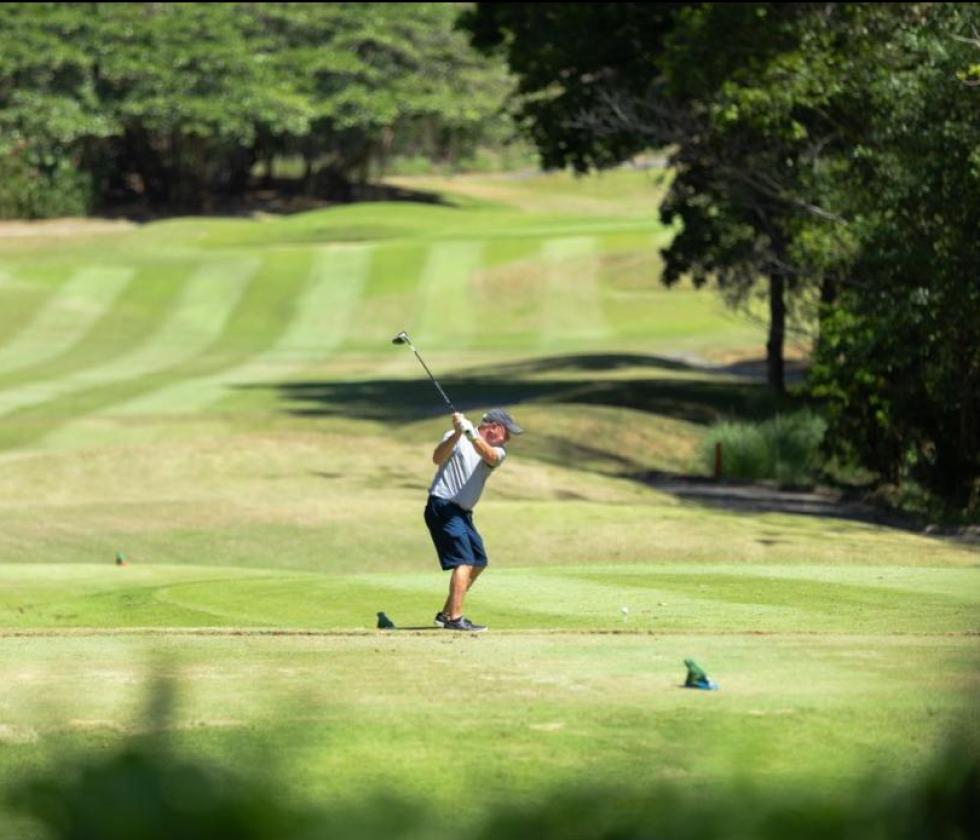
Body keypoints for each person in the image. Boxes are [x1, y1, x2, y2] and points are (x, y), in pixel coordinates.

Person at [424, 407, 523, 632]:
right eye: (507, 433)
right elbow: (436, 458)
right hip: (442, 505)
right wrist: (459, 433)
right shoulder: (455, 437)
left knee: (478, 561)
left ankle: (446, 613)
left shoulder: (499, 451)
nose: (508, 438)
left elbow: (487, 455)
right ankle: (455, 619)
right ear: (495, 427)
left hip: (462, 513)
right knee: (464, 561)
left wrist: (471, 434)